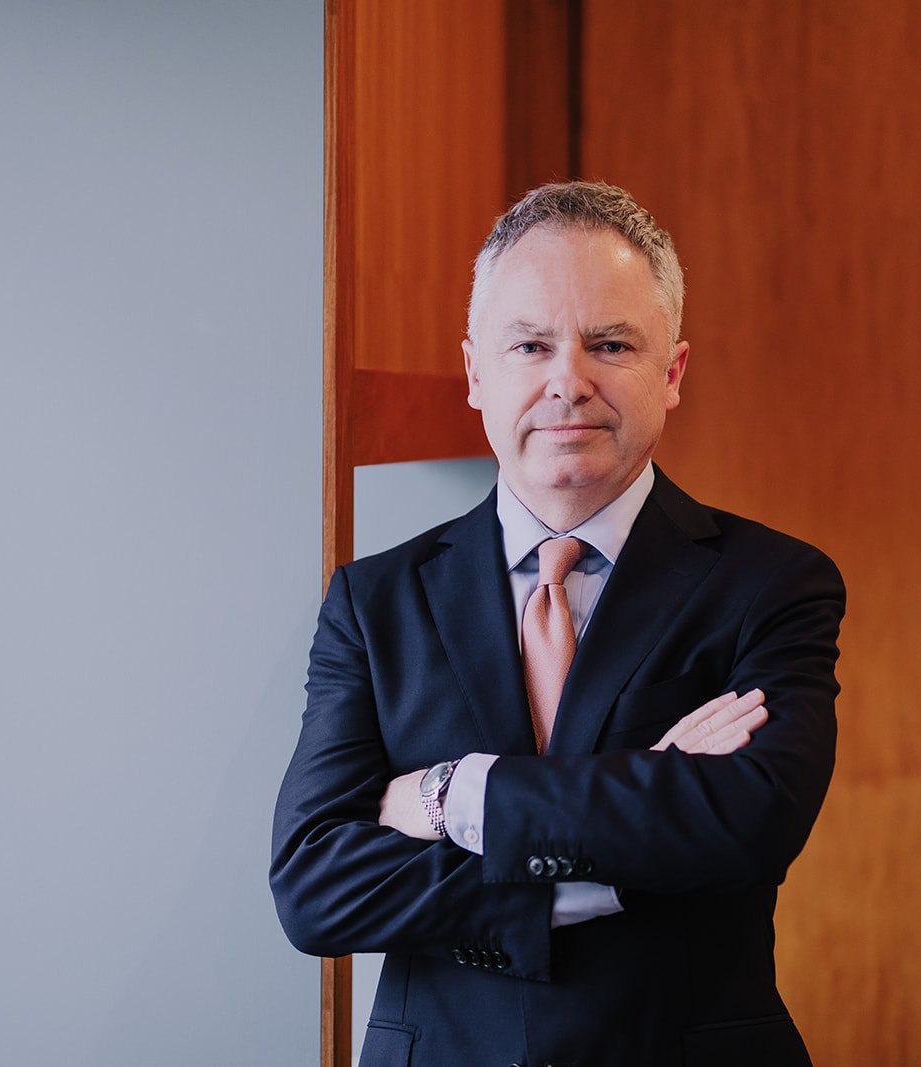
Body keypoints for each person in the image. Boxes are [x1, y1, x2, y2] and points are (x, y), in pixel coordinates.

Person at [271, 181, 845, 1066]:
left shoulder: (773, 584)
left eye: (611, 344)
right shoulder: (372, 601)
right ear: (474, 373)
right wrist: (631, 827)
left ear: (673, 372)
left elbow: (751, 819)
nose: (568, 380)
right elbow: (315, 886)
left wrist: (455, 794)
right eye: (530, 344)